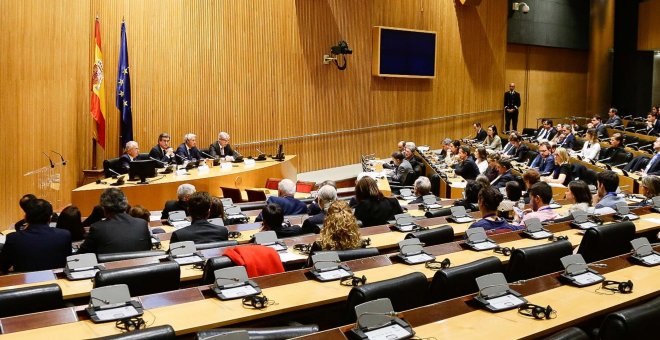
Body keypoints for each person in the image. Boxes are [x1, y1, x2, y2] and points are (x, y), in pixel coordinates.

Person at [0, 199, 71, 273]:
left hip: (24, 283)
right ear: (50, 218)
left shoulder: (13, 238)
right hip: (57, 281)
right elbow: (68, 262)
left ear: (25, 217)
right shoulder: (64, 235)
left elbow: (3, 266)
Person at [77, 188, 151, 254]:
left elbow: (80, 256)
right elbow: (148, 248)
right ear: (125, 205)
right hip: (141, 267)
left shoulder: (97, 228)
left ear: (104, 208)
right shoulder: (142, 224)